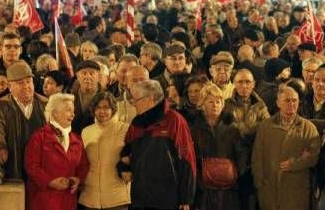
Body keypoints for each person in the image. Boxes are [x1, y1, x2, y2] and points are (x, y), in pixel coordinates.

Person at [120, 80, 196, 210]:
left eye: (136, 100)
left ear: (151, 99)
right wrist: (122, 167)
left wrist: (186, 198)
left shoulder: (174, 120)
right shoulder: (136, 123)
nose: (133, 104)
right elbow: (126, 152)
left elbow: (187, 159)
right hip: (139, 196)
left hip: (167, 198)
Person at [252, 86, 320, 210]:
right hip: (269, 188)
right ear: (278, 103)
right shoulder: (265, 126)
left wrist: (295, 164)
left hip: (296, 189)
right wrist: (259, 183)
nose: (291, 104)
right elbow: (257, 156)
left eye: (294, 100)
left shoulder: (309, 128)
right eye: (287, 100)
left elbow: (313, 156)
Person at [24, 93, 90, 210]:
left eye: (73, 110)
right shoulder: (38, 137)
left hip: (68, 202)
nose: (73, 114)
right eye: (68, 110)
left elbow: (84, 165)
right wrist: (49, 181)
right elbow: (31, 166)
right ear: (54, 113)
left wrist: (78, 179)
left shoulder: (77, 140)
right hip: (43, 202)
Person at [189, 83, 247, 210]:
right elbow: (191, 157)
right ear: (203, 105)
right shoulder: (195, 129)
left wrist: (236, 177)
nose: (215, 105)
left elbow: (241, 155)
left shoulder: (232, 129)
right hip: (204, 189)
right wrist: (198, 180)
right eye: (210, 102)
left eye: (218, 101)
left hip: (229, 188)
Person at [223, 69, 269, 210]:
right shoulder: (226, 105)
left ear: (253, 84)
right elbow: (226, 130)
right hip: (232, 157)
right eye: (240, 82)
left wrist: (241, 130)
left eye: (248, 82)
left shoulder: (260, 105)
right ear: (234, 84)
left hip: (255, 156)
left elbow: (266, 128)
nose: (244, 86)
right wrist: (253, 129)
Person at [0, 60, 47, 180]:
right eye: (20, 83)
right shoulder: (1, 106)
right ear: (9, 86)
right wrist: (0, 147)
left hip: (40, 167)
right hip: (14, 166)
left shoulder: (46, 104)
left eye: (28, 82)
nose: (26, 86)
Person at [79, 92, 130, 210]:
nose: (102, 111)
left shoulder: (125, 129)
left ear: (113, 109)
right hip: (90, 197)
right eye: (98, 107)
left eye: (106, 107)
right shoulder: (86, 131)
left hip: (117, 197)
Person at [71, 60, 103, 133]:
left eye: (92, 73)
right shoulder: (68, 97)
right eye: (84, 73)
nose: (87, 77)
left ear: (99, 77)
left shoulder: (106, 98)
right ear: (78, 77)